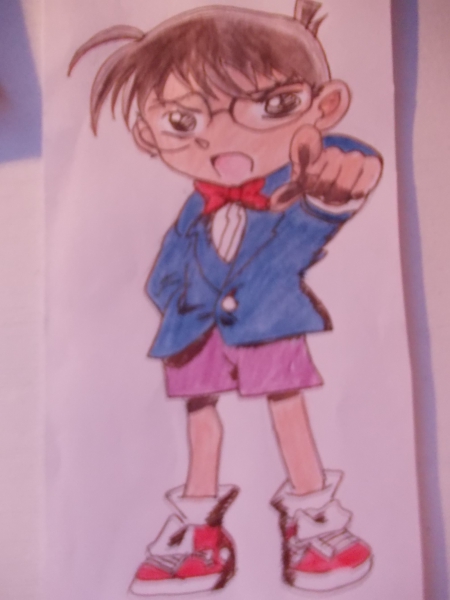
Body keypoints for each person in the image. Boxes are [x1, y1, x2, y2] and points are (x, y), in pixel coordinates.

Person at [70, 1, 383, 594]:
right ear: (148, 134)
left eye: (273, 107)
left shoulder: (292, 188)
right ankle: (198, 532)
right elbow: (164, 270)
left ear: (323, 108)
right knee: (201, 422)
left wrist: (332, 196)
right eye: (182, 121)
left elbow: (309, 225)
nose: (224, 139)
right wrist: (181, 305)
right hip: (194, 330)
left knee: (287, 408)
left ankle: (315, 522)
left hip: (268, 320)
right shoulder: (197, 206)